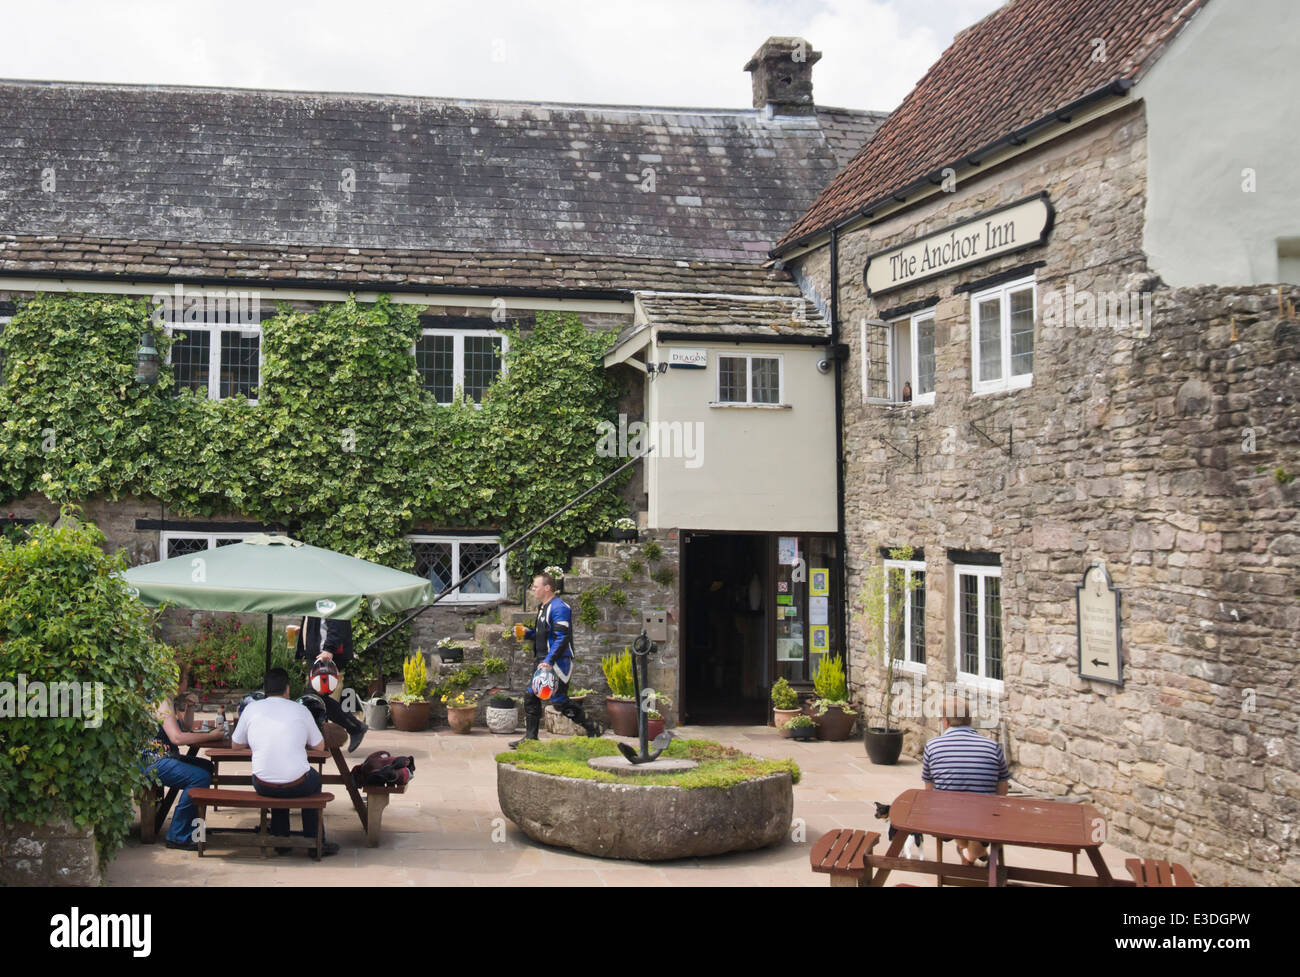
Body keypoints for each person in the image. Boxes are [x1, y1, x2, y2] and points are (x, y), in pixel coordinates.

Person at [231, 667, 339, 857]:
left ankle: (281, 839)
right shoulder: (301, 709)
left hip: (262, 784)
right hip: (297, 783)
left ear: (265, 689)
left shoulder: (251, 709)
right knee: (312, 780)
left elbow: (235, 745)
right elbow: (319, 746)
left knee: (276, 780)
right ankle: (314, 841)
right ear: (287, 689)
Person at [510, 572, 600, 748]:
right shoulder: (543, 607)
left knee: (559, 702)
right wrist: (527, 633)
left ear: (547, 588)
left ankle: (593, 727)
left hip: (557, 662)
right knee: (531, 696)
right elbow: (545, 635)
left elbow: (562, 638)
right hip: (543, 661)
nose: (533, 590)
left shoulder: (559, 607)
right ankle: (530, 739)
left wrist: (550, 661)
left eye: (535, 586)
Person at [921, 695, 1010, 865]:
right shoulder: (992, 746)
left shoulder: (932, 746)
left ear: (945, 721)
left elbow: (929, 791)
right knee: (977, 817)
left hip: (947, 819)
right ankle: (976, 851)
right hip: (985, 819)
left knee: (954, 809)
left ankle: (968, 855)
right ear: (969, 720)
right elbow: (1002, 789)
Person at [141, 692, 228, 851]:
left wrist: (189, 707)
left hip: (165, 756)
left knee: (206, 767)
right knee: (199, 777)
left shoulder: (168, 700)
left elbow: (186, 726)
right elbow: (178, 738)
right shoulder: (160, 700)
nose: (185, 687)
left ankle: (194, 829)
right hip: (152, 761)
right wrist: (211, 736)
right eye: (185, 680)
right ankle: (178, 836)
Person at [295, 615, 367, 753]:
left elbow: (336, 620)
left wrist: (329, 649)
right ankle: (350, 729)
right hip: (317, 654)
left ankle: (354, 728)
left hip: (325, 655)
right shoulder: (316, 597)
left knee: (314, 698)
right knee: (315, 698)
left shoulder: (326, 598)